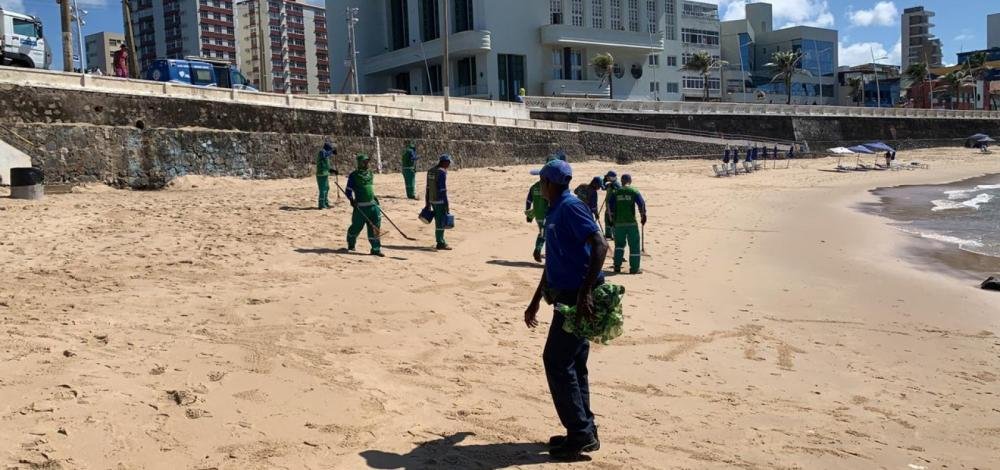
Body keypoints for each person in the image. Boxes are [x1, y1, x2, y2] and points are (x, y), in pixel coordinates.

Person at [523, 159, 608, 461]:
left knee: (556, 361)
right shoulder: (555, 210)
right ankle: (585, 430)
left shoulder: (570, 207)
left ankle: (580, 433)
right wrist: (535, 301)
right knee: (573, 363)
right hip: (565, 296)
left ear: (548, 184)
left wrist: (585, 292)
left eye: (540, 182)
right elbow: (554, 261)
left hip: (576, 298)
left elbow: (600, 245)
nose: (538, 187)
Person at [345, 154, 384, 257]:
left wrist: (374, 198)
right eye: (364, 162)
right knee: (356, 227)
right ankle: (351, 243)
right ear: (359, 163)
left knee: (375, 228)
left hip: (373, 206)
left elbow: (369, 188)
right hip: (361, 207)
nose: (367, 163)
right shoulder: (353, 175)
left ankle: (376, 249)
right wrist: (351, 200)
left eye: (367, 161)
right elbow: (348, 191)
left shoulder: (371, 174)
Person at [609, 174, 647, 274]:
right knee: (634, 245)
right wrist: (643, 216)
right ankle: (634, 269)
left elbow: (610, 206)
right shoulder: (634, 191)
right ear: (630, 181)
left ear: (621, 181)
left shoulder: (616, 192)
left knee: (619, 245)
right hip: (631, 223)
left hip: (619, 223)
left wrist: (611, 219)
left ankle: (617, 266)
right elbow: (641, 204)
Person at [526, 157, 555, 262]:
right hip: (547, 214)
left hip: (537, 215)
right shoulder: (549, 187)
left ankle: (540, 251)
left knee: (543, 232)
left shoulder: (533, 187)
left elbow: (528, 201)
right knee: (546, 234)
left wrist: (528, 215)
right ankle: (538, 250)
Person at [426, 154, 452, 250]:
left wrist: (427, 202)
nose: (448, 165)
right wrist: (446, 204)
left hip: (432, 199)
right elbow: (442, 190)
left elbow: (427, 188)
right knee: (441, 222)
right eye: (448, 163)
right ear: (445, 162)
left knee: (438, 221)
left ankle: (440, 240)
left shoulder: (431, 171)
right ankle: (440, 242)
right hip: (440, 200)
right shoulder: (441, 172)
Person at [316, 141, 337, 209]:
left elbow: (326, 166)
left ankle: (325, 202)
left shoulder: (326, 155)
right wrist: (332, 152)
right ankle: (321, 204)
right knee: (323, 189)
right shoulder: (322, 152)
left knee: (327, 188)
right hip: (321, 174)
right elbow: (325, 155)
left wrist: (332, 170)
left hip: (325, 174)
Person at [601, 171, 620, 240]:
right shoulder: (609, 184)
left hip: (614, 206)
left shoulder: (617, 184)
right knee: (607, 219)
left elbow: (619, 191)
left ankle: (615, 235)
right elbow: (603, 188)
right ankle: (608, 235)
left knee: (613, 220)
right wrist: (603, 181)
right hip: (608, 206)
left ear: (612, 177)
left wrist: (614, 187)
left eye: (608, 177)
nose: (607, 178)